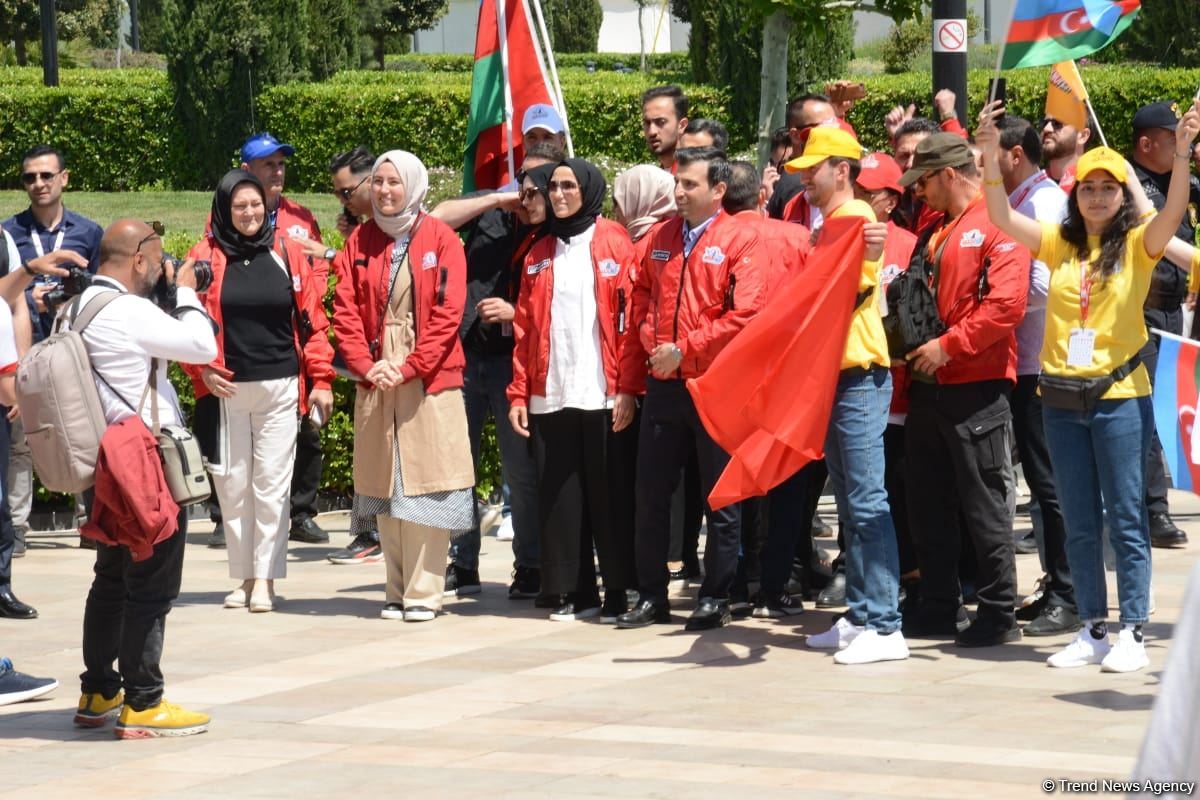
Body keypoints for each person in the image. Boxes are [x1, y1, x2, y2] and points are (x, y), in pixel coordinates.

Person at [976, 98, 1200, 673]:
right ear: (1074, 195)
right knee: (1078, 518)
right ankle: (1092, 627)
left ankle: (1133, 629)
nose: (1097, 196)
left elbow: (1174, 211)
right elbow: (1000, 216)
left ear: (1124, 196)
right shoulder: (1060, 242)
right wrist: (986, 154)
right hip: (1061, 400)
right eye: (1087, 188)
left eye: (1108, 188)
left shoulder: (1140, 243)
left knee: (1125, 516)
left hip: (1119, 398)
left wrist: (1181, 155)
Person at [72, 219, 216, 738]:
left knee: (110, 578)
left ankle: (98, 690)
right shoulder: (128, 310)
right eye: (158, 258)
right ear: (137, 259)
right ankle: (144, 701)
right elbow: (202, 347)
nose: (163, 265)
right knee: (151, 583)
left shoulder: (78, 307)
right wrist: (186, 293)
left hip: (103, 463)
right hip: (143, 463)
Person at [617, 146, 766, 631]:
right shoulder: (661, 236)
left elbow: (747, 312)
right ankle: (650, 595)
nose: (678, 192)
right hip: (664, 385)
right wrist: (648, 337)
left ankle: (716, 595)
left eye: (690, 185)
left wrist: (685, 347)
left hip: (715, 384)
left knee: (719, 496)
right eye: (677, 183)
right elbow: (639, 291)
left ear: (718, 191)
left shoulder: (741, 239)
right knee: (649, 494)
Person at [779, 129, 908, 663]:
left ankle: (884, 624)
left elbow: (847, 293)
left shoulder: (852, 217)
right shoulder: (840, 220)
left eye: (815, 167)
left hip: (857, 372)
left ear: (842, 169)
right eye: (804, 167)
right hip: (840, 373)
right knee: (857, 502)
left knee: (866, 500)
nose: (805, 175)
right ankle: (862, 614)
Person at [896, 132, 1030, 647]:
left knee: (984, 504)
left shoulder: (999, 224)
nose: (918, 191)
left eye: (924, 180)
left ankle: (998, 611)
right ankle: (938, 603)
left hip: (976, 385)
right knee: (927, 504)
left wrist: (949, 346)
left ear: (949, 174)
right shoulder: (938, 228)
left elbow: (1007, 306)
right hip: (929, 387)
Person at [332, 150, 475, 622]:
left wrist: (410, 365)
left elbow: (449, 314)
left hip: (428, 376)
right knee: (385, 482)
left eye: (394, 182)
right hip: (376, 375)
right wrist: (364, 363)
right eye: (378, 182)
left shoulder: (442, 238)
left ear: (413, 185)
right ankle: (394, 591)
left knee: (427, 486)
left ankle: (424, 593)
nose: (385, 191)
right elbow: (347, 309)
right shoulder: (361, 240)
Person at [186, 171, 335, 614]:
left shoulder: (286, 253)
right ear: (224, 210)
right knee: (232, 488)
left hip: (281, 386)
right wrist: (201, 372)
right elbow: (182, 320)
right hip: (226, 390)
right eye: (239, 206)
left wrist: (322, 380)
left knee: (271, 486)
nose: (249, 213)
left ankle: (265, 580)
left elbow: (313, 320)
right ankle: (243, 577)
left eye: (255, 205)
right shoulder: (203, 256)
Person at [507, 158, 643, 622]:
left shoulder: (614, 241)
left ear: (588, 189)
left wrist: (627, 387)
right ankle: (570, 590)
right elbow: (525, 329)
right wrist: (519, 394)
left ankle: (619, 590)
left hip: (604, 392)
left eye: (569, 185)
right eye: (554, 186)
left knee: (609, 495)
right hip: (552, 392)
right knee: (559, 496)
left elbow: (629, 322)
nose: (560, 194)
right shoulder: (537, 251)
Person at [431, 142, 563, 600]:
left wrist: (515, 312)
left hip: (517, 364)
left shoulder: (558, 235)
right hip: (466, 356)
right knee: (457, 465)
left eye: (539, 185)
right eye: (523, 181)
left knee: (520, 471)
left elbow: (566, 308)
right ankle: (462, 562)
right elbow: (436, 220)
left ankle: (529, 564)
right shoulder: (492, 217)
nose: (529, 194)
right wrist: (496, 198)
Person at [989, 115, 1079, 637]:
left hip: (1041, 365)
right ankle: (1058, 582)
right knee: (1042, 487)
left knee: (1050, 487)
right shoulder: (1025, 200)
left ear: (1014, 156)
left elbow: (1049, 285)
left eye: (991, 155)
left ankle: (1068, 595)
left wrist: (996, 291)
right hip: (1024, 363)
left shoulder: (1043, 203)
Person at [720, 160, 813, 619]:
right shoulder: (797, 237)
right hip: (787, 379)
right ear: (761, 195)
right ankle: (774, 587)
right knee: (786, 488)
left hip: (730, 377)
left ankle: (734, 585)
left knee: (733, 485)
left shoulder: (715, 240)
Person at [3, 144, 103, 556]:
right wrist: (31, 300)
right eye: (30, 177)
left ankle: (89, 521)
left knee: (81, 432)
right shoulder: (8, 232)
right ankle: (16, 525)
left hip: (70, 350)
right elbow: (5, 294)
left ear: (64, 178)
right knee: (20, 438)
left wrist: (65, 300)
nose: (39, 184)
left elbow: (101, 287)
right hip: (23, 347)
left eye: (47, 176)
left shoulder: (89, 232)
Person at [237, 132, 332, 548]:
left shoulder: (301, 217)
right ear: (246, 171)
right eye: (267, 164)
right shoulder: (230, 215)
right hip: (252, 341)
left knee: (306, 429)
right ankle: (231, 517)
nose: (277, 171)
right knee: (240, 433)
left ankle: (301, 512)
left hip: (297, 333)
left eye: (280, 163)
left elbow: (318, 276)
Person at [851, 152, 921, 607]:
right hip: (856, 392)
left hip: (902, 396)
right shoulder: (842, 239)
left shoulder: (912, 245)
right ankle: (863, 579)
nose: (855, 198)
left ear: (889, 202)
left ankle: (908, 577)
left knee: (897, 491)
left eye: (865, 193)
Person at [1129, 102, 1200, 549]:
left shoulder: (1184, 182)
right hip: (1142, 311)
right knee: (1152, 413)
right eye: (1172, 137)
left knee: (1175, 405)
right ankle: (1153, 509)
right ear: (1146, 143)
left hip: (1178, 310)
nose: (1180, 144)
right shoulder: (1127, 184)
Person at [325, 146, 385, 565]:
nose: (343, 202)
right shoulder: (363, 234)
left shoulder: (408, 229)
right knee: (367, 451)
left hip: (397, 363)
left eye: (347, 192)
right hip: (364, 361)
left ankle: (381, 533)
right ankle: (368, 532)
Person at [0, 236, 54, 620]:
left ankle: (1, 586)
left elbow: (13, 303)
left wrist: (17, 368)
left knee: (0, 498)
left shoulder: (2, 239)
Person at [766, 93, 837, 221]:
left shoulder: (840, 175)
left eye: (835, 124)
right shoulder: (792, 184)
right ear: (795, 135)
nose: (832, 132)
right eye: (822, 127)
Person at [612, 164, 677, 262]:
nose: (613, 209)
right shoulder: (641, 236)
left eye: (617, 202)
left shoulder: (659, 243)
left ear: (638, 201)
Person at [1041, 113, 1092, 193]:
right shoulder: (1029, 186)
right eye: (1045, 123)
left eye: (1057, 123)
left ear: (1082, 136)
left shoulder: (1093, 188)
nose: (1046, 128)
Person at [642, 85, 689, 171]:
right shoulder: (655, 177)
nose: (652, 132)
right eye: (647, 123)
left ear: (682, 125)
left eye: (661, 122)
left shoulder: (695, 177)